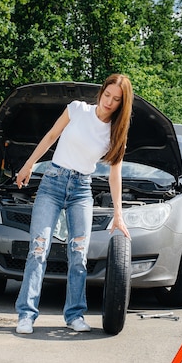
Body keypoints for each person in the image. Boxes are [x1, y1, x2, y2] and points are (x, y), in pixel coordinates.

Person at [14, 74, 133, 334]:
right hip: (53, 183)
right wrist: (28, 166)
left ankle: (75, 315)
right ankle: (26, 314)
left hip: (81, 189)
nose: (109, 102)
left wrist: (118, 215)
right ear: (101, 92)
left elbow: (115, 175)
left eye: (116, 100)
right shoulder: (77, 109)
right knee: (38, 249)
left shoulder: (116, 134)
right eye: (107, 95)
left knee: (78, 255)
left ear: (122, 104)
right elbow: (50, 137)